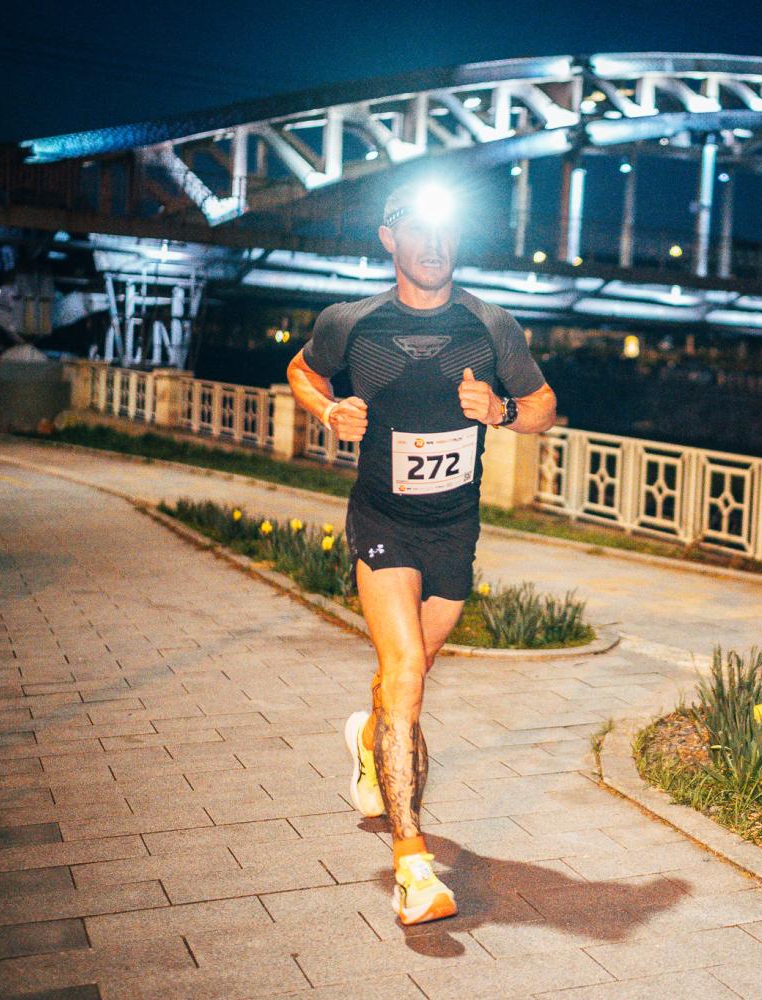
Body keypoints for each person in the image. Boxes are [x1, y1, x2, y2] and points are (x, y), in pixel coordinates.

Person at [285, 179, 557, 925]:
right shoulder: (351, 322)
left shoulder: (490, 325)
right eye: (417, 231)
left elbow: (543, 406)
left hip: (453, 530)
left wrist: (501, 409)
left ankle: (366, 738)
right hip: (383, 521)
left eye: (445, 232)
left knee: (409, 677)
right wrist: (328, 410)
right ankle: (413, 868)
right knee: (404, 674)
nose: (433, 245)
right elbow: (302, 371)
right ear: (389, 239)